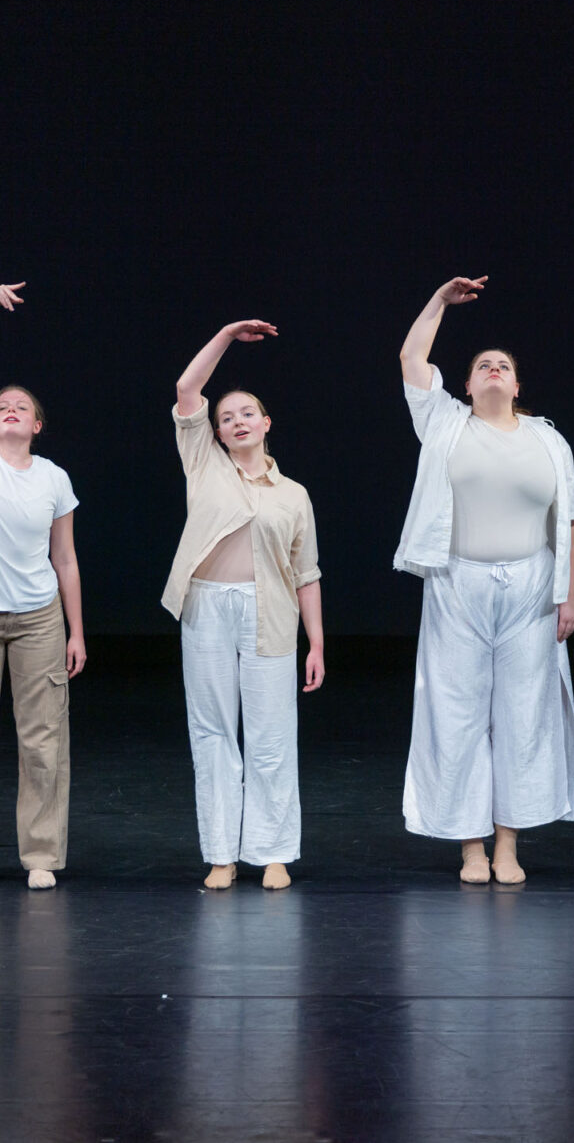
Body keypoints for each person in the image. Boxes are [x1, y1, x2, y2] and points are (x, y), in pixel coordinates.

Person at [395, 275, 574, 884]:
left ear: (517, 384)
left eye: (503, 365)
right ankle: (470, 847)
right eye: (483, 365)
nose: (494, 370)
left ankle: (508, 844)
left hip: (531, 588)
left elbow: (570, 522)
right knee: (457, 711)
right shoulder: (446, 423)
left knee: (524, 714)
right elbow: (411, 357)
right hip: (459, 586)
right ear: (469, 384)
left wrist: (570, 594)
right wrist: (438, 303)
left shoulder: (549, 441)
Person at [163, 319, 324, 891]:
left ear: (266, 423)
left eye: (246, 413)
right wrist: (227, 336)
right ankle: (222, 854)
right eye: (225, 416)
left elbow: (306, 573)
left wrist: (317, 644)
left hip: (271, 612)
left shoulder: (294, 494)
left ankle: (274, 851)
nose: (235, 421)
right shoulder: (203, 462)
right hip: (207, 607)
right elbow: (187, 390)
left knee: (272, 734)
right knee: (211, 732)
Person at [0, 282, 86, 891]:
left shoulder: (54, 478)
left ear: (37, 425)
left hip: (37, 618)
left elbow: (66, 559)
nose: (9, 411)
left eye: (21, 407)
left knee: (43, 740)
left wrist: (76, 630)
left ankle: (40, 856)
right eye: (2, 406)